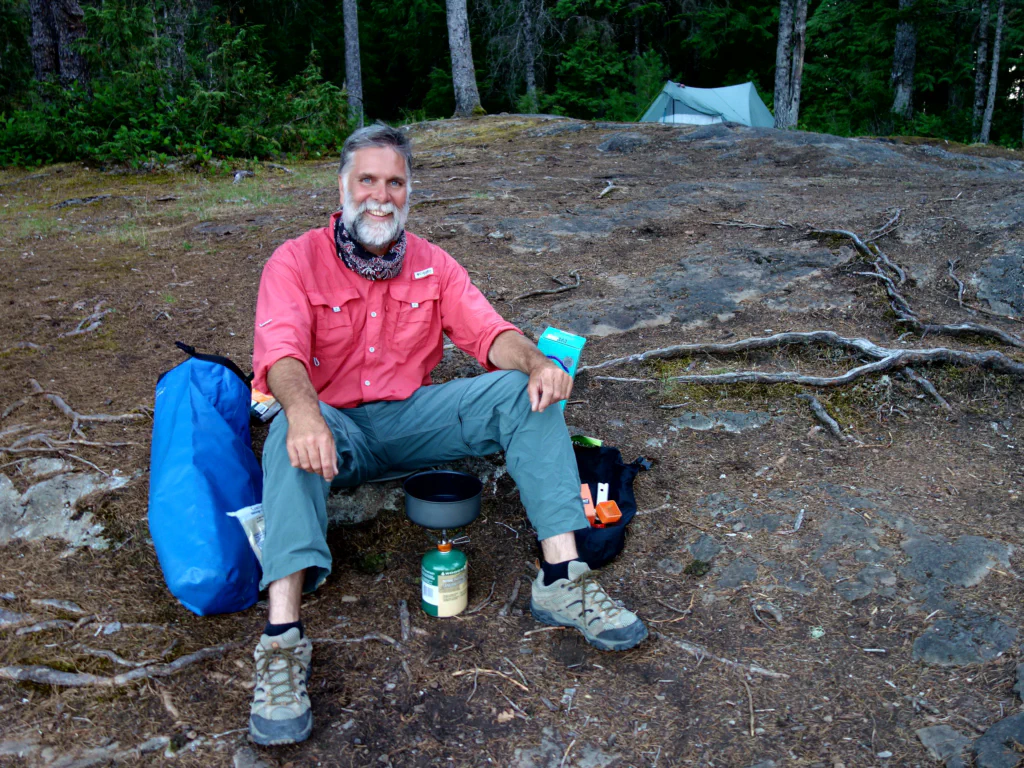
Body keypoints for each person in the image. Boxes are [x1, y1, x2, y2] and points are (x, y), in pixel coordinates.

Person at [247, 122, 647, 746]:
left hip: (412, 419)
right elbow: (281, 355)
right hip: (333, 426)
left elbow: (489, 333)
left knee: (523, 391)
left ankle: (563, 581)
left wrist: (539, 362)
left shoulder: (433, 265)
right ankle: (281, 642)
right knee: (285, 439)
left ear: (409, 192)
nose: (381, 196)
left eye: (395, 183)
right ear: (344, 186)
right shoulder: (294, 260)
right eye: (368, 181)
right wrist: (301, 414)